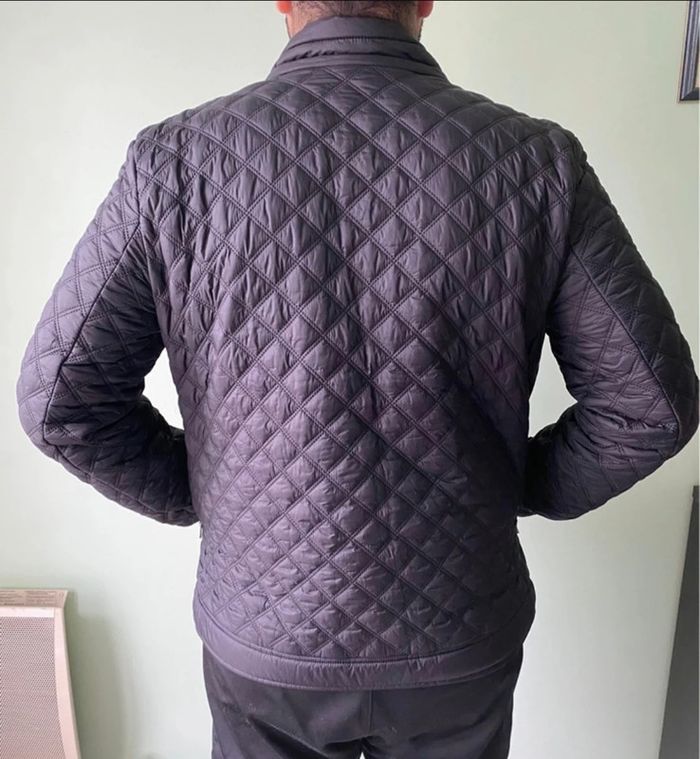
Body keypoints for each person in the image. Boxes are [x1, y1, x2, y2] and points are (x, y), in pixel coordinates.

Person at [15, 1, 699, 757]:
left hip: (269, 636)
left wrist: (210, 494)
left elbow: (59, 403)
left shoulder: (175, 163)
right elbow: (651, 406)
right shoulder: (536, 163)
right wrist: (516, 484)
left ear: (283, 0)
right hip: (457, 630)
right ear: (426, 0)